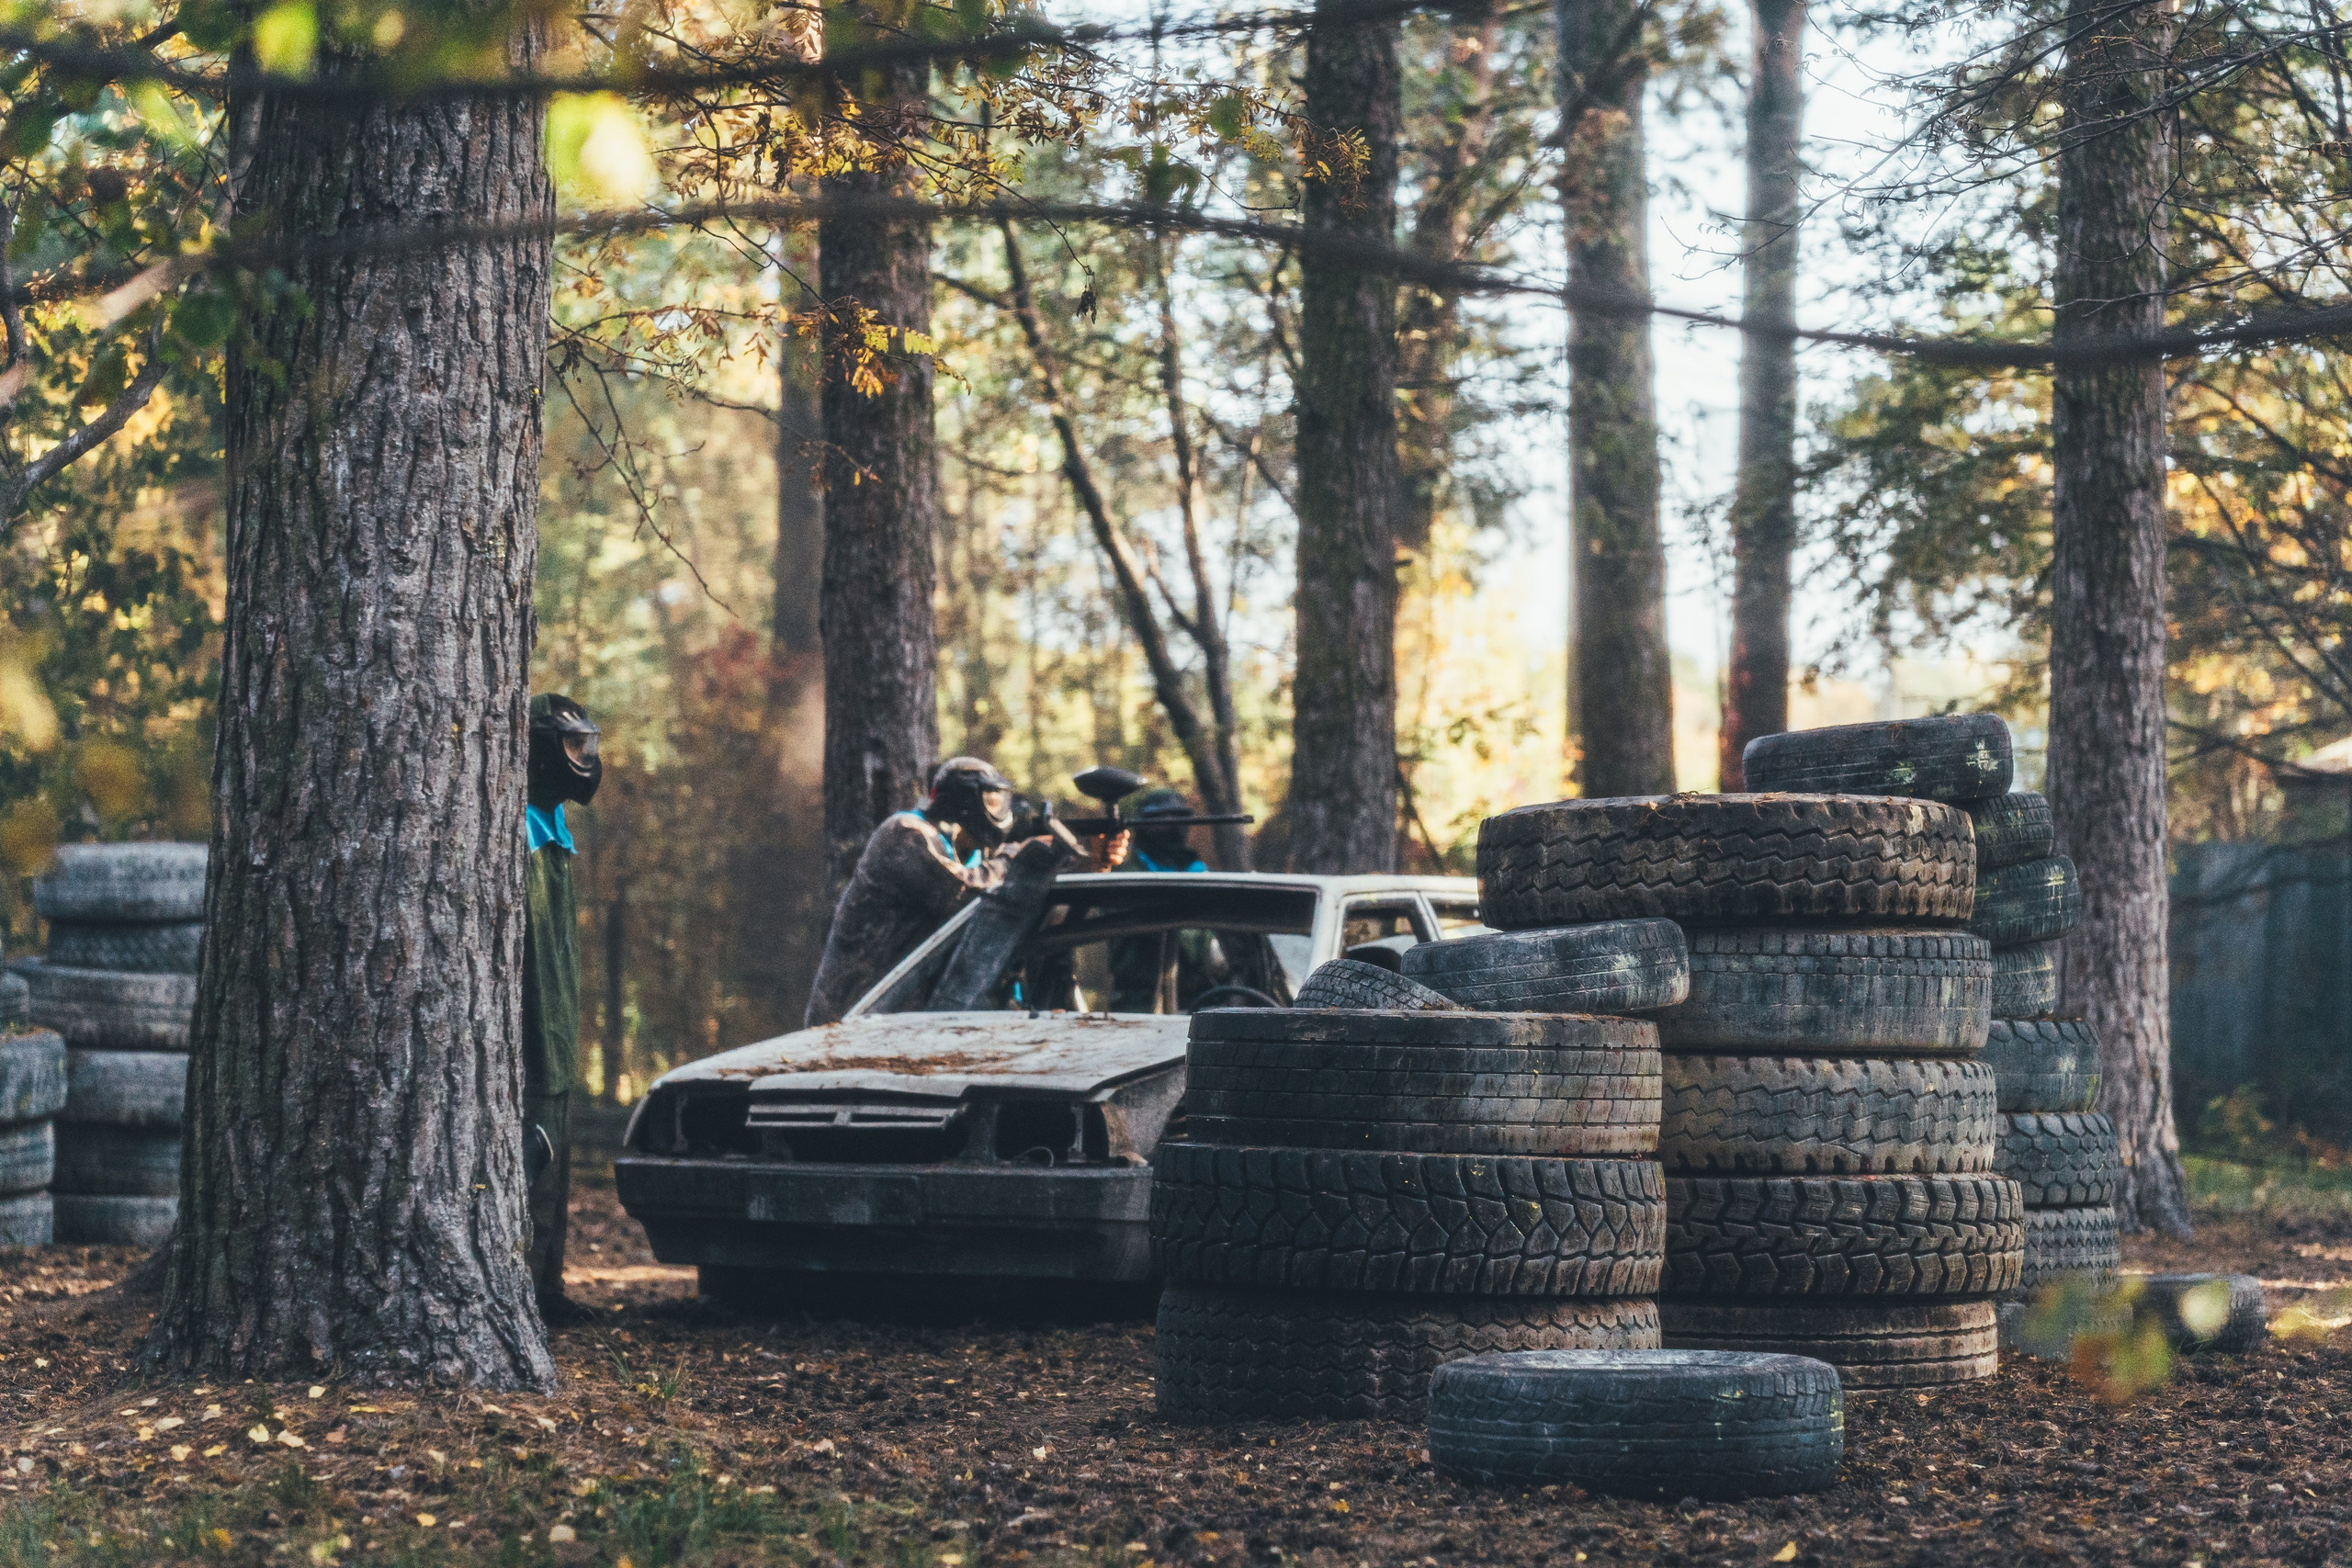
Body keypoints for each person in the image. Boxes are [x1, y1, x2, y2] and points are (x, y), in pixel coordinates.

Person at [804, 757, 1126, 1026]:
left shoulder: (974, 856)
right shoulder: (905, 833)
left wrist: (1090, 858)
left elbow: (1012, 892)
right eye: (993, 801)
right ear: (964, 801)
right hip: (850, 1020)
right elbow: (967, 898)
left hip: (904, 1023)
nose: (1001, 813)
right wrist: (1020, 856)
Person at [523, 693, 600, 1322]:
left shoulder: (552, 828)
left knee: (558, 1165)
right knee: (533, 1164)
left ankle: (549, 1289)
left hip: (560, 1028)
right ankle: (523, 1293)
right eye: (575, 747)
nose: (586, 760)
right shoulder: (521, 830)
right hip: (533, 1032)